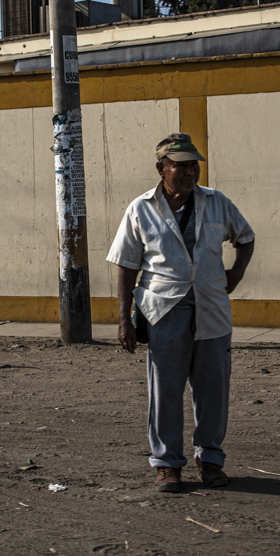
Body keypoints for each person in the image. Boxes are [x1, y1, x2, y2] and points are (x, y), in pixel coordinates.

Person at [106, 133, 255, 493]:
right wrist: (124, 319)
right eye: (181, 165)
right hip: (164, 309)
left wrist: (233, 275)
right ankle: (167, 464)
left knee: (213, 389)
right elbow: (125, 264)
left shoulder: (216, 202)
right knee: (166, 390)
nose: (190, 172)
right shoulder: (140, 208)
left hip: (212, 308)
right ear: (162, 168)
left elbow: (246, 237)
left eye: (194, 165)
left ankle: (211, 458)